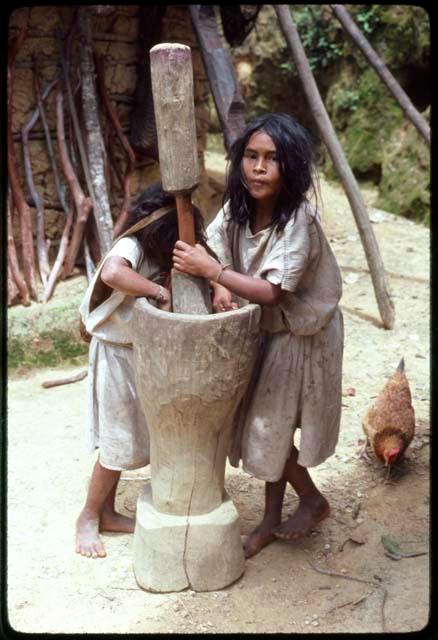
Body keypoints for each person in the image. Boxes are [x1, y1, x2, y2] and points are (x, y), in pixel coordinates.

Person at [173, 113, 344, 558]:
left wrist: (216, 272)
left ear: (291, 166)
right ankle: (270, 520)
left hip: (301, 333)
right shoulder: (238, 208)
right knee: (270, 425)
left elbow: (271, 290)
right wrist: (218, 282)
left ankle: (310, 499)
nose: (259, 168)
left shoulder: (298, 220)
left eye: (271, 158)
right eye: (251, 156)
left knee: (267, 425)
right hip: (266, 329)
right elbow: (211, 249)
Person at [76, 181, 207, 558]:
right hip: (115, 354)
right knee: (116, 439)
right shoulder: (130, 245)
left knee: (128, 436)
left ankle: (109, 512)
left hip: (136, 352)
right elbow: (113, 275)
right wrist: (157, 292)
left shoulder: (158, 251)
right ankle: (87, 516)